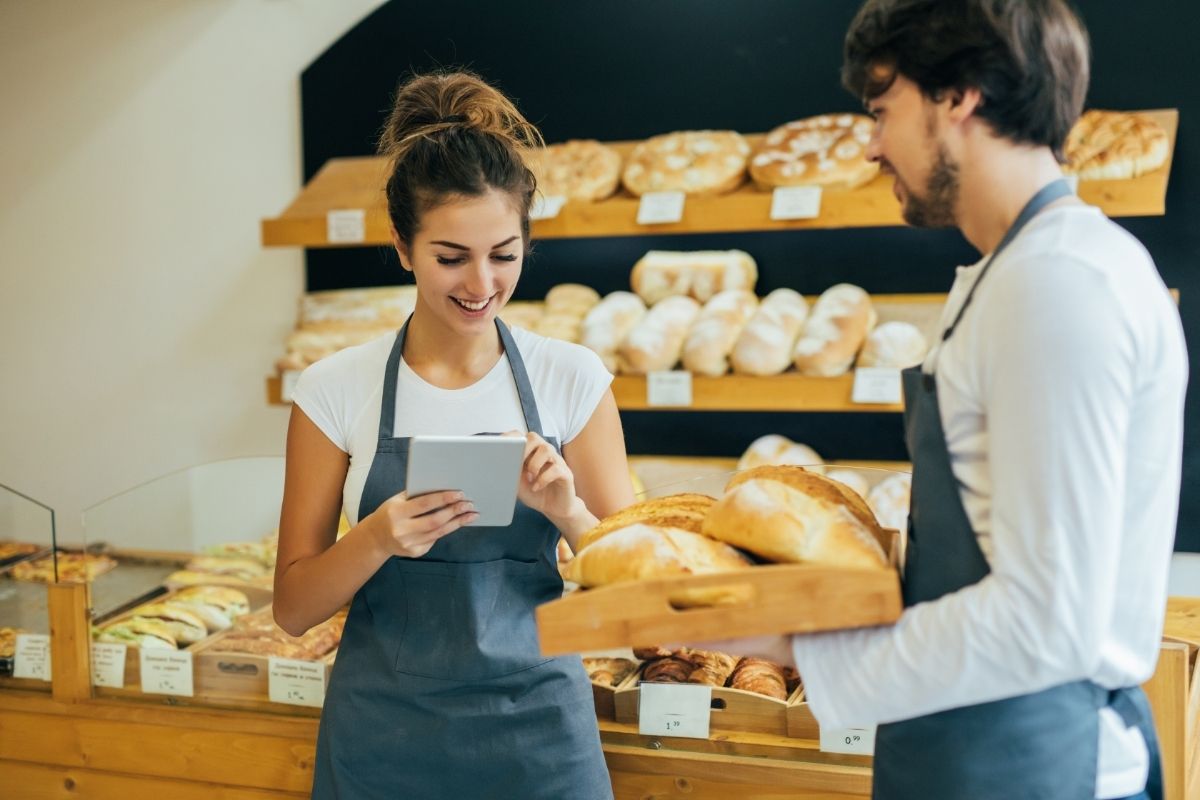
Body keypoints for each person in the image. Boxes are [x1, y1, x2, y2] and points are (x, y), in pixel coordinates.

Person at [701, 2, 1187, 798]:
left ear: (958, 97)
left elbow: (1045, 619)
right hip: (966, 748)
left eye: (882, 109)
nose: (870, 145)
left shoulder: (1058, 286)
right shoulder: (1012, 274)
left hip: (1036, 761)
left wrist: (797, 643)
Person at [273, 70, 632, 799]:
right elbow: (293, 607)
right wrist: (378, 537)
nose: (481, 283)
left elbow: (635, 587)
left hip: (541, 741)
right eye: (450, 257)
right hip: (382, 744)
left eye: (504, 254)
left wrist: (567, 510)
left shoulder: (572, 377)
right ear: (402, 247)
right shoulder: (333, 389)